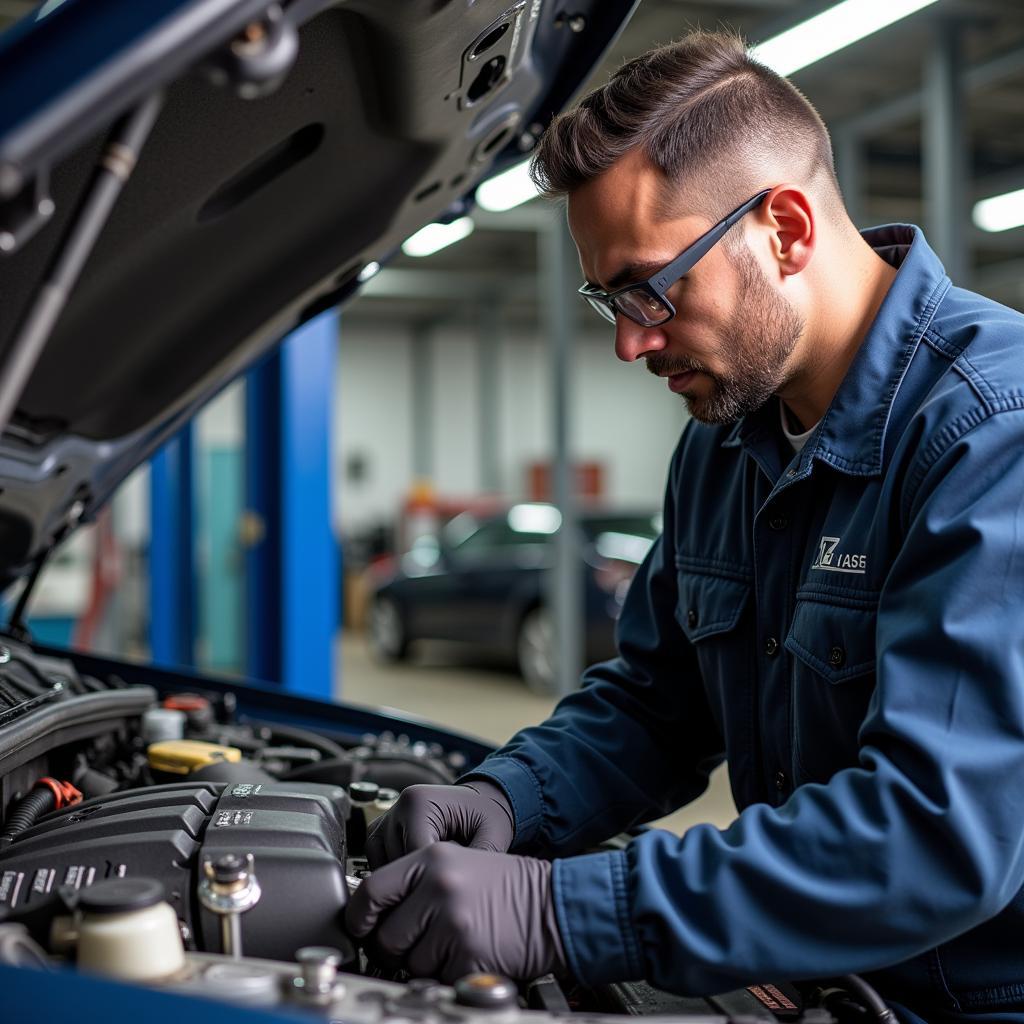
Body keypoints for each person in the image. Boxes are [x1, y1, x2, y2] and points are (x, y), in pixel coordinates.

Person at [346, 30, 1024, 1023]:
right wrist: (509, 799)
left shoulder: (989, 433)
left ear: (785, 229)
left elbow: (933, 833)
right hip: (824, 977)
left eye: (650, 287)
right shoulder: (723, 447)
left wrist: (562, 909)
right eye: (606, 298)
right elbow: (661, 702)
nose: (629, 341)